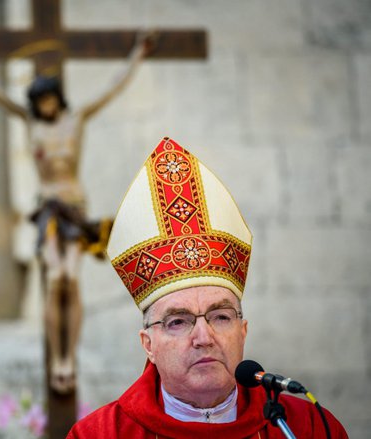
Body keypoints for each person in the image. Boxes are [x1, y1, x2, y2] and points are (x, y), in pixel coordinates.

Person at [68, 137, 348, 438]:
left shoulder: (307, 427)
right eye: (178, 321)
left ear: (243, 331)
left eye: (221, 317)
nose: (204, 337)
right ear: (148, 345)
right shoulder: (101, 433)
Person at [0, 29, 157, 394]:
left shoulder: (76, 119)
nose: (46, 106)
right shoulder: (30, 121)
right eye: (40, 101)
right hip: (47, 210)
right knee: (55, 281)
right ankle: (59, 359)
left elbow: (113, 87)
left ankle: (71, 356)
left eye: (49, 99)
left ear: (57, 98)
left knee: (72, 279)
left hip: (75, 209)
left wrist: (138, 53)